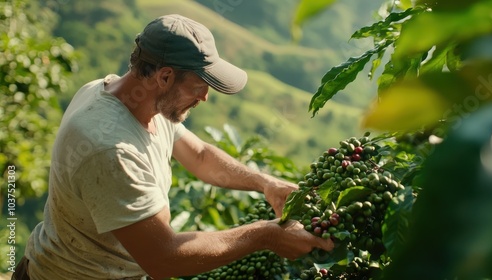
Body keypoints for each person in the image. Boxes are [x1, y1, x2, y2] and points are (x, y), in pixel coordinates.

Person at [13, 14, 333, 280]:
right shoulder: (111, 150)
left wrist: (266, 183)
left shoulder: (131, 97)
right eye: (199, 87)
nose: (205, 98)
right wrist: (266, 235)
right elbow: (164, 259)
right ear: (165, 77)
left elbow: (200, 155)